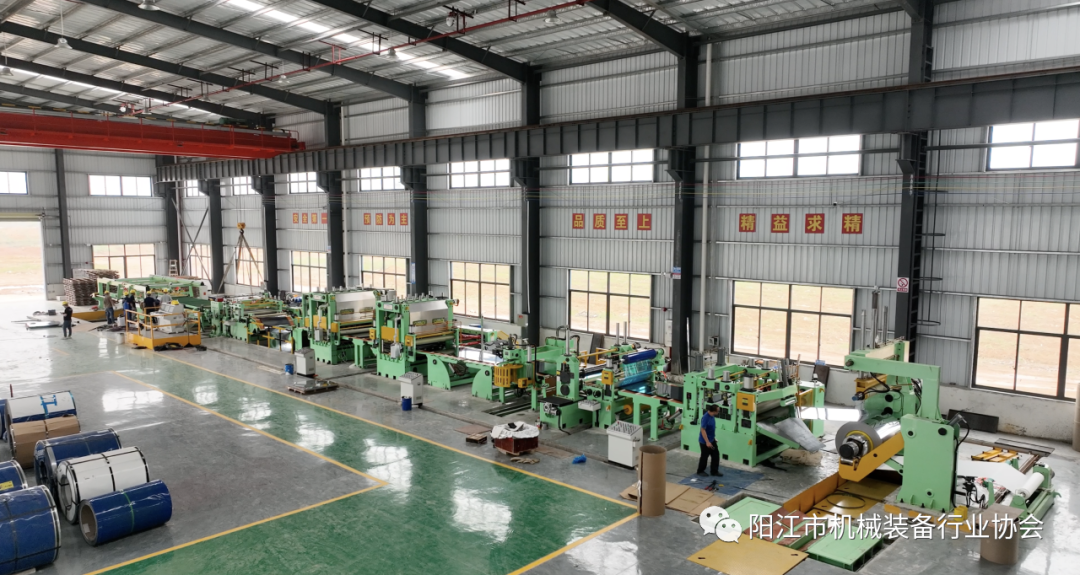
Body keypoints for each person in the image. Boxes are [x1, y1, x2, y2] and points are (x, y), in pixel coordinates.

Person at [697, 404, 723, 477]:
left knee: (715, 455)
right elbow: (703, 430)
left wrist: (713, 438)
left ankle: (714, 471)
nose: (718, 412)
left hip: (712, 440)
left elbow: (711, 429)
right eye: (718, 411)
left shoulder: (712, 416)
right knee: (704, 456)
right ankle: (700, 471)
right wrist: (707, 442)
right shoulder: (705, 418)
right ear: (714, 411)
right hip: (705, 442)